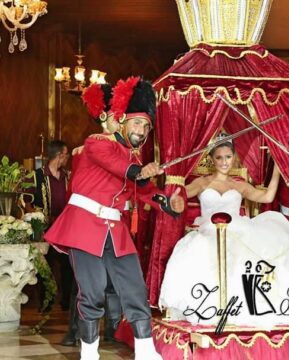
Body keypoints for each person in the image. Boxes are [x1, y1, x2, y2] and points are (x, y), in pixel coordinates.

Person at [45, 76, 185, 360]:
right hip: (84, 227)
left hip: (114, 230)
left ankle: (146, 351)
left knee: (135, 288)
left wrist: (169, 202)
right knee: (92, 293)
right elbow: (119, 166)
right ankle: (89, 354)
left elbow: (144, 191)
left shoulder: (132, 159)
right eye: (137, 123)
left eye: (146, 126)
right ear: (121, 122)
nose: (142, 130)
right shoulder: (96, 142)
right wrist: (139, 171)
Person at [159, 137, 289, 329]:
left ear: (234, 158)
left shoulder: (238, 184)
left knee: (268, 241)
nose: (224, 162)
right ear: (212, 159)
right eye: (219, 157)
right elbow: (180, 194)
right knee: (201, 250)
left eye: (228, 157)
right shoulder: (202, 182)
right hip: (210, 230)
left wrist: (275, 170)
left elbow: (267, 197)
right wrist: (174, 197)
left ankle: (254, 305)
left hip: (238, 229)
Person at [58, 83, 123, 347]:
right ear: (104, 118)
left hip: (116, 221)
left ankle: (113, 330)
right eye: (117, 116)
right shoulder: (89, 149)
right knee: (85, 282)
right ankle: (77, 332)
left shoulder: (126, 148)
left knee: (113, 279)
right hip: (89, 221)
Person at [32, 140, 72, 312]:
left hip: (65, 228)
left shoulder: (68, 176)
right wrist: (42, 217)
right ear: (60, 155)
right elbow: (27, 202)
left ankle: (67, 303)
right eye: (66, 154)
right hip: (45, 229)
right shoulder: (37, 176)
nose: (67, 158)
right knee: (45, 266)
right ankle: (46, 303)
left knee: (68, 265)